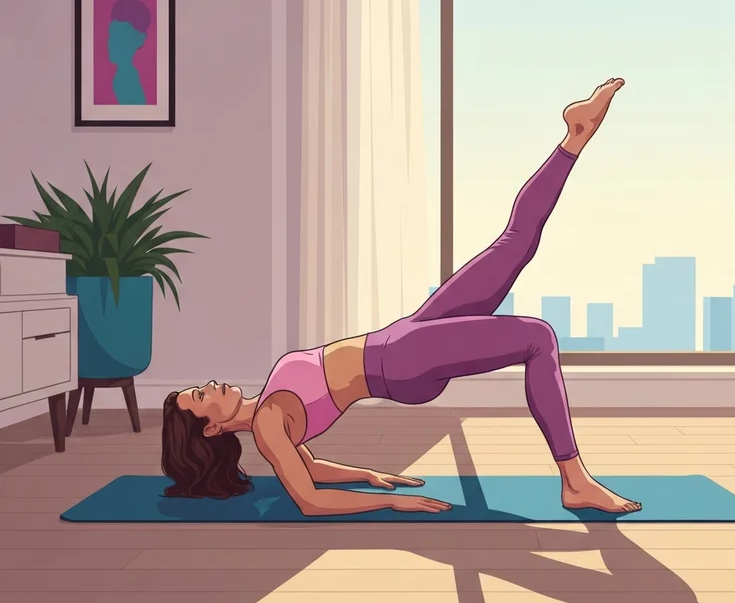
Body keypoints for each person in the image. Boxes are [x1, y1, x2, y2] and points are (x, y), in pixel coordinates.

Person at [161, 77, 642, 517]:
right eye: (201, 397)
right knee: (537, 336)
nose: (210, 385)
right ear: (211, 429)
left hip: (403, 338)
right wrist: (393, 505)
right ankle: (574, 481)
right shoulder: (267, 423)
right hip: (402, 361)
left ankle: (574, 137)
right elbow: (307, 500)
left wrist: (367, 476)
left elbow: (312, 469)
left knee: (515, 243)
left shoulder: (269, 409)